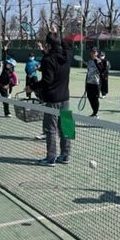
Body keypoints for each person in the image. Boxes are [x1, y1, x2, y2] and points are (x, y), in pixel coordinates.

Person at [36, 28, 72, 167]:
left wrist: (32, 86)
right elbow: (67, 46)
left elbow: (46, 81)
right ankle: (66, 155)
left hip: (52, 100)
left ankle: (51, 158)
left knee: (51, 129)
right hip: (66, 98)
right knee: (67, 127)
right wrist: (58, 35)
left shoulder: (48, 60)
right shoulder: (67, 55)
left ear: (49, 45)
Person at [85, 47, 104, 118]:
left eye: (94, 52)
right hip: (89, 83)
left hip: (96, 83)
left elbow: (101, 70)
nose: (93, 53)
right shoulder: (89, 61)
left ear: (97, 53)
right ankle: (94, 112)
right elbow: (88, 72)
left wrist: (96, 61)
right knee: (90, 97)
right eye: (92, 52)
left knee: (95, 99)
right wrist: (86, 83)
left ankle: (96, 113)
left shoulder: (99, 61)